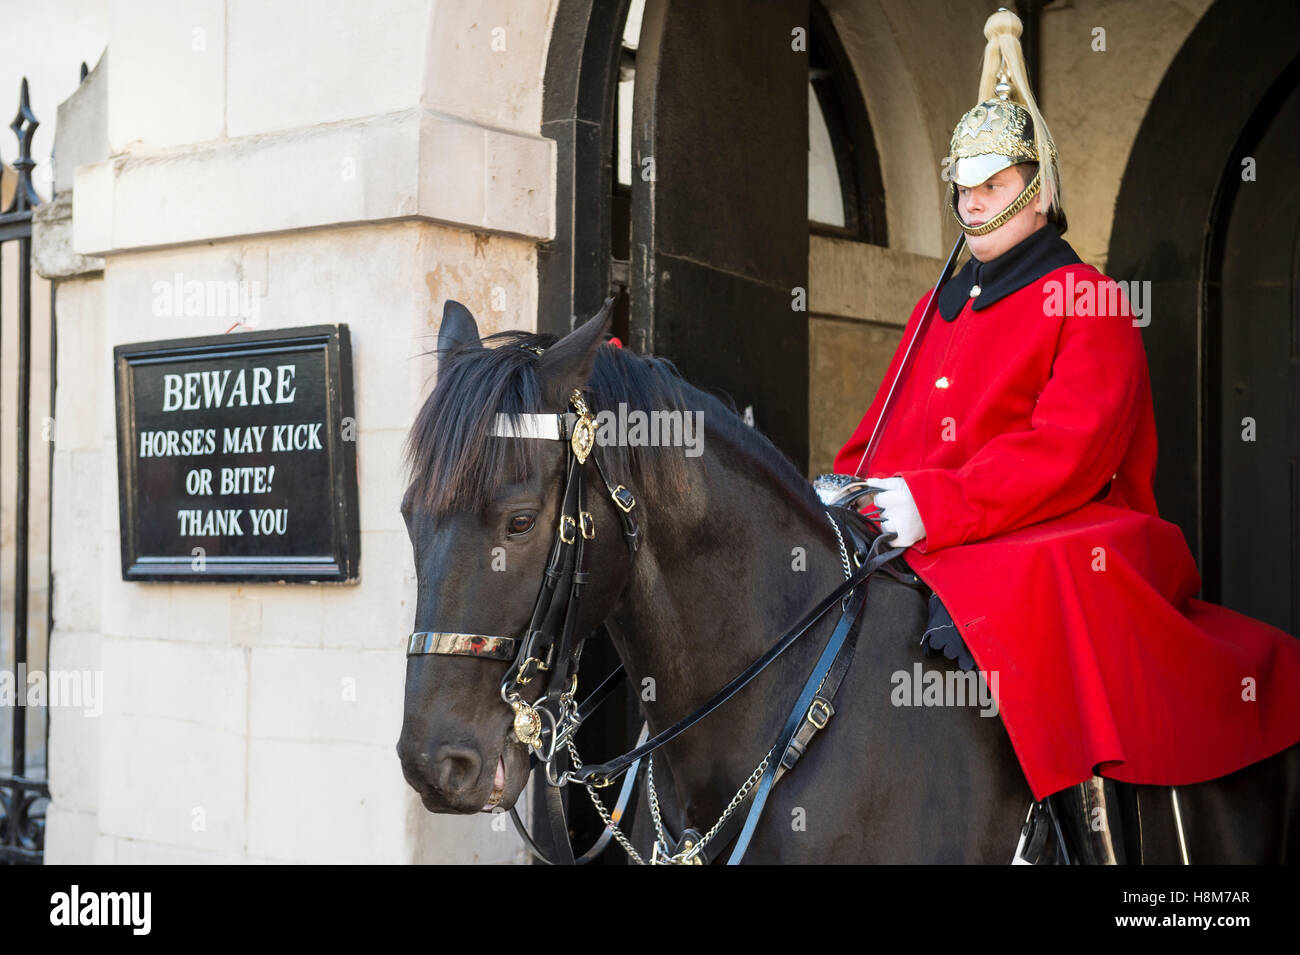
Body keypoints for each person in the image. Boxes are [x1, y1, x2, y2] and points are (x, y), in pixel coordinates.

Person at [830, 8, 1300, 863]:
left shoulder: (1089, 298)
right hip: (946, 524)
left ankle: (1076, 830)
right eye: (963, 185)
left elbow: (1069, 453)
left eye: (993, 183)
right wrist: (851, 489)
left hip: (1065, 525)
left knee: (1022, 576)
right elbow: (877, 435)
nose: (972, 200)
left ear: (1038, 191)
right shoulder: (936, 305)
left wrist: (935, 503)